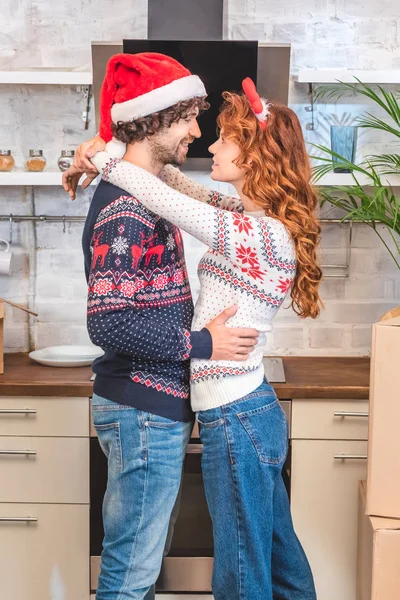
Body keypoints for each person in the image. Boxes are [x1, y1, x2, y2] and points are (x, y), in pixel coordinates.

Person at [66, 70, 323, 598]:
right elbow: (175, 188)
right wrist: (109, 149)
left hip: (236, 414)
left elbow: (165, 198)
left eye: (224, 137)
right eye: (193, 121)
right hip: (244, 411)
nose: (208, 140)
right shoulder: (253, 218)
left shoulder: (258, 234)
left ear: (255, 158)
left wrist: (107, 156)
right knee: (277, 559)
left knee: (242, 569)